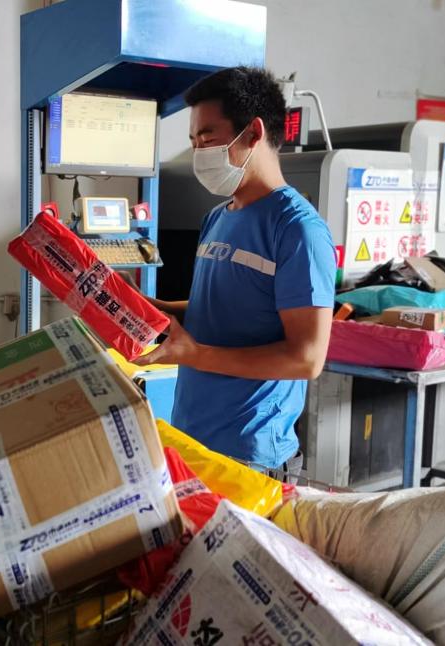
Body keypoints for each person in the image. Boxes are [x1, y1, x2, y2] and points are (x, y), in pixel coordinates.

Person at [134, 67, 336, 475]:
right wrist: (155, 307)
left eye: (207, 139)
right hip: (193, 439)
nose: (198, 153)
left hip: (249, 456)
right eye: (193, 141)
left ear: (253, 133)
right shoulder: (217, 218)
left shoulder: (297, 230)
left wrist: (195, 354)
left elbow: (306, 358)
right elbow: (225, 309)